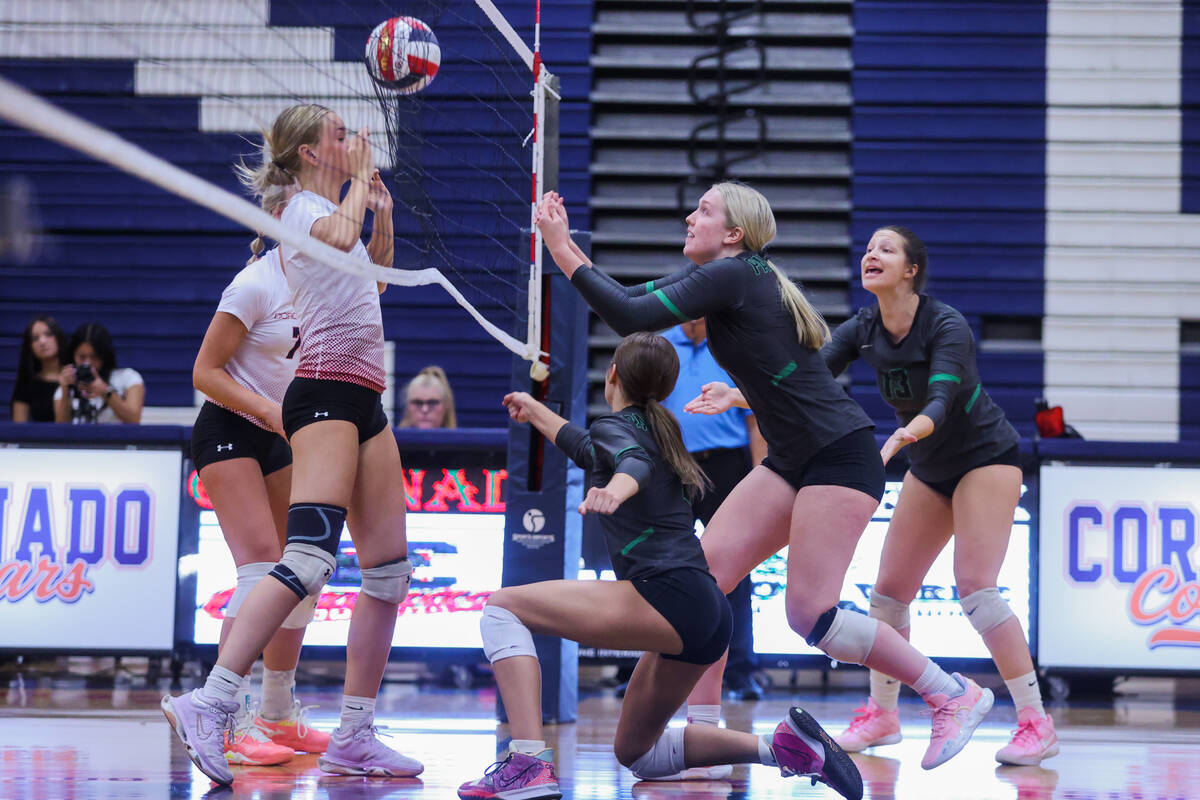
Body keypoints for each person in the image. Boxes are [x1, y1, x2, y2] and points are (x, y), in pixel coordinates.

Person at [536, 183, 992, 774]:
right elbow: (636, 302)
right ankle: (704, 737)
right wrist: (740, 391)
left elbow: (626, 314)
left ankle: (951, 693)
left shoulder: (737, 273)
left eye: (703, 210)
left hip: (838, 455)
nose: (688, 216)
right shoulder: (730, 280)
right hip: (791, 459)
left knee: (809, 614)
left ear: (734, 234)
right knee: (704, 584)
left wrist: (561, 247)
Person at [459, 333, 864, 800]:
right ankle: (786, 750)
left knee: (502, 609)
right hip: (708, 612)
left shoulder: (620, 429)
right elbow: (583, 445)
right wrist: (534, 412)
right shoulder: (662, 429)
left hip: (665, 595)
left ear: (612, 375)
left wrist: (617, 490)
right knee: (640, 754)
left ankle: (528, 761)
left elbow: (630, 465)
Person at [162, 103, 421, 786]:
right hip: (324, 392)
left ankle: (355, 734)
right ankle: (212, 702)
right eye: (338, 135)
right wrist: (360, 186)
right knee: (303, 560)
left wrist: (381, 214)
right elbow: (339, 234)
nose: (353, 142)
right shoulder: (303, 210)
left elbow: (373, 271)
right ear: (309, 154)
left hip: (366, 399)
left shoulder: (333, 214)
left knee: (390, 575)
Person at [822, 226, 1058, 766]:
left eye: (885, 249)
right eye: (867, 248)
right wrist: (745, 394)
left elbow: (944, 395)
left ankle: (1035, 722)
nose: (870, 255)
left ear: (911, 270)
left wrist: (909, 432)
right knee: (887, 595)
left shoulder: (944, 323)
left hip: (986, 459)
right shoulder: (863, 326)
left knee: (976, 590)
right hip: (929, 467)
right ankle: (882, 715)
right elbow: (809, 377)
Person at [190, 177, 331, 767]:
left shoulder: (324, 281)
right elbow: (204, 370)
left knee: (303, 573)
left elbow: (380, 281)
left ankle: (278, 711)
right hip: (231, 428)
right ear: (281, 220)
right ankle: (227, 719)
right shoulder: (253, 284)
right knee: (258, 571)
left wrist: (385, 215)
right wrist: (271, 410)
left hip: (281, 434)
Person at [664, 319, 767, 701]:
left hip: (726, 466)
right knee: (662, 567)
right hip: (673, 466)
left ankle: (740, 671)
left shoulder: (732, 346)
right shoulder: (661, 345)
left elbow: (755, 417)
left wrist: (761, 478)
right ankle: (652, 666)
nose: (694, 315)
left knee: (735, 570)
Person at [54, 323, 144, 424]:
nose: (87, 363)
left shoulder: (128, 378)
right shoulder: (66, 386)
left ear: (104, 356)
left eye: (94, 357)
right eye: (82, 357)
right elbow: (61, 430)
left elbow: (134, 420)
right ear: (73, 355)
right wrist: (65, 390)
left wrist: (105, 391)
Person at [10, 315, 67, 422]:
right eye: (35, 338)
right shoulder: (26, 384)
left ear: (58, 337)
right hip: (41, 438)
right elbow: (18, 427)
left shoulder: (75, 376)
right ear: (30, 347)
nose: (42, 341)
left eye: (48, 334)